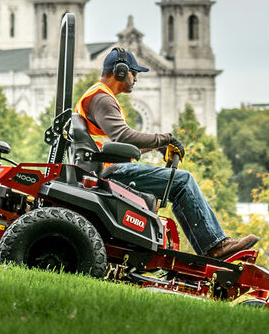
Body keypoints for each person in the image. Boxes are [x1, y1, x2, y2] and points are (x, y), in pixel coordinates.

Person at [75, 46, 258, 261]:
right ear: (121, 72)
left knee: (177, 184)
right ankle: (215, 246)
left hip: (108, 168)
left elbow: (122, 145)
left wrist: (158, 146)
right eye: (134, 73)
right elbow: (123, 137)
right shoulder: (102, 99)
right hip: (111, 173)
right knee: (183, 181)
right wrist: (165, 139)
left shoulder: (99, 97)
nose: (135, 79)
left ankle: (212, 247)